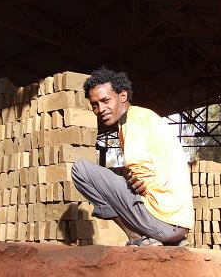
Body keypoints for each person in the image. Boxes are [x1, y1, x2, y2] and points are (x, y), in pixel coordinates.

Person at [71, 67, 194, 246]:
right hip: (178, 226)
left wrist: (136, 180)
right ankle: (170, 240)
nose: (101, 109)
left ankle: (137, 237)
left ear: (122, 96)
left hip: (160, 222)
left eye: (106, 100)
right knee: (122, 180)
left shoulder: (133, 120)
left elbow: (141, 175)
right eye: (95, 105)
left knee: (80, 169)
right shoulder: (145, 116)